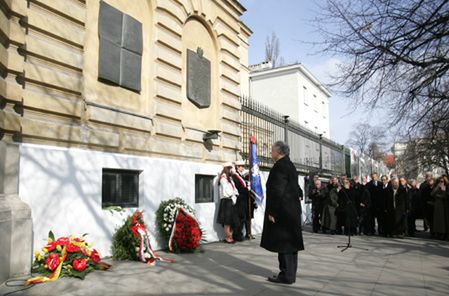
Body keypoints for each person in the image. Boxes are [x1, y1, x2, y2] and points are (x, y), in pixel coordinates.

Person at [261, 141, 304, 285]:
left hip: (282, 212)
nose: (270, 153)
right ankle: (290, 274)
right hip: (291, 211)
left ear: (279, 152)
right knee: (291, 244)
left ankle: (285, 275)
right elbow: (296, 187)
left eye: (272, 150)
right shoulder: (290, 165)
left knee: (284, 243)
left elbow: (277, 191)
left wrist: (273, 212)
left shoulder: (279, 167)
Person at [217, 162, 239, 244]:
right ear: (225, 168)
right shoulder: (223, 178)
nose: (230, 169)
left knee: (231, 220)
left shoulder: (229, 178)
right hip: (226, 201)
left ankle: (230, 236)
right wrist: (232, 194)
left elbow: (234, 189)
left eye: (230, 168)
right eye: (229, 168)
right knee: (227, 221)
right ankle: (228, 237)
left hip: (231, 200)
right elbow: (227, 191)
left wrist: (235, 194)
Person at [231, 161, 249, 242]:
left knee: (242, 217)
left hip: (243, 199)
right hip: (239, 199)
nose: (243, 167)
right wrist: (246, 189)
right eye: (241, 166)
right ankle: (237, 235)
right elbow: (238, 187)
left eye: (243, 166)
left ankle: (240, 234)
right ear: (237, 167)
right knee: (239, 218)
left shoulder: (241, 176)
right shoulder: (235, 176)